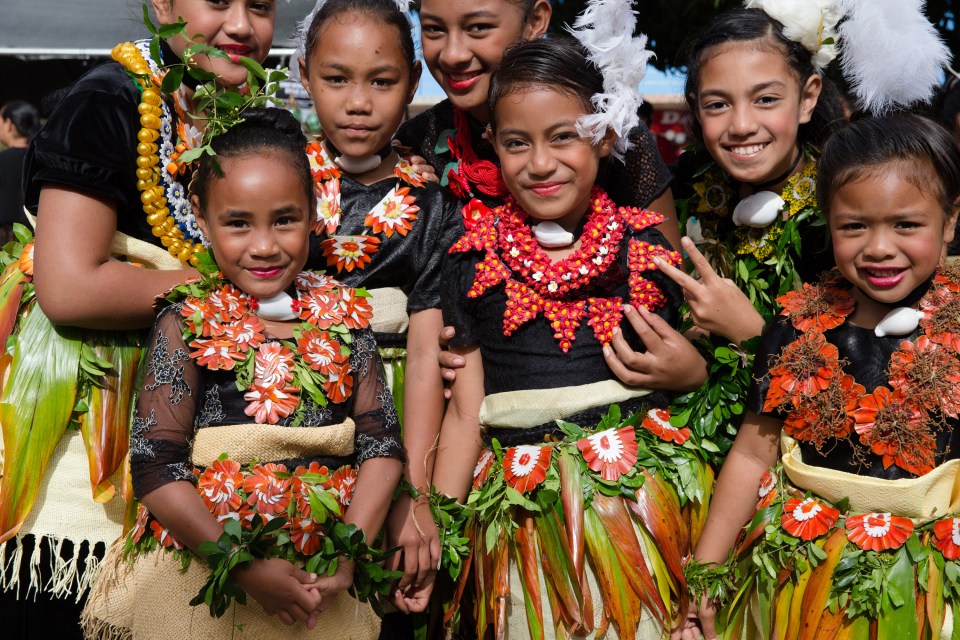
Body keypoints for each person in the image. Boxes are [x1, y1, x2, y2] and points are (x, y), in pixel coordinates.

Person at [0, 1, 278, 637]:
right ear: (162, 5)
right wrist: (234, 284)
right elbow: (69, 287)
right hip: (99, 451)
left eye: (260, 7)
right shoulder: (109, 101)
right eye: (217, 1)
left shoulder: (249, 118)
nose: (240, 25)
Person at [81, 107, 403, 639]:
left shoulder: (345, 314)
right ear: (201, 219)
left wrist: (349, 554)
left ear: (314, 212)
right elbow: (156, 466)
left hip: (321, 581)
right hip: (204, 577)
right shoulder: (185, 319)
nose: (264, 245)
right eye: (237, 223)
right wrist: (246, 569)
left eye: (284, 219)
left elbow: (380, 444)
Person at [432, 29, 711, 639]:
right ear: (492, 145)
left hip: (636, 512)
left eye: (564, 136)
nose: (540, 163)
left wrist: (696, 371)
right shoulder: (469, 259)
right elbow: (463, 413)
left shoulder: (646, 248)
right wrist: (439, 529)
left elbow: (689, 378)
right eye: (516, 143)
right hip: (519, 520)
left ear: (605, 135)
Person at [679, 111, 960, 640]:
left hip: (929, 585)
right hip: (798, 575)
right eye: (853, 226)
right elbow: (751, 453)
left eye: (906, 224)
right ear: (827, 221)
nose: (878, 247)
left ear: (949, 221)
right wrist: (709, 574)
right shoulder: (795, 322)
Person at [601, 5, 846, 465]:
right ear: (694, 107)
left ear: (808, 96)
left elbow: (851, 399)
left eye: (766, 99)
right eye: (718, 104)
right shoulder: (686, 188)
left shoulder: (842, 218)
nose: (741, 125)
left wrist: (750, 334)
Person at [295, 0, 463, 613]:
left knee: (370, 608)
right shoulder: (277, 181)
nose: (358, 102)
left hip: (391, 425)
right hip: (283, 417)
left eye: (382, 81)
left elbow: (423, 359)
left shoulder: (437, 208)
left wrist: (415, 495)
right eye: (336, 79)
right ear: (304, 72)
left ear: (414, 80)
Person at [396, 0, 682, 252]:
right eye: (434, 29)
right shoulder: (418, 142)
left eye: (479, 27)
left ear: (535, 21)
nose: (452, 54)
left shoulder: (609, 130)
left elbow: (669, 278)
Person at [0, 100, 40, 242]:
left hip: (4, 243)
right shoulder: (44, 161)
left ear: (9, 124)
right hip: (38, 244)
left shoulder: (2, 160)